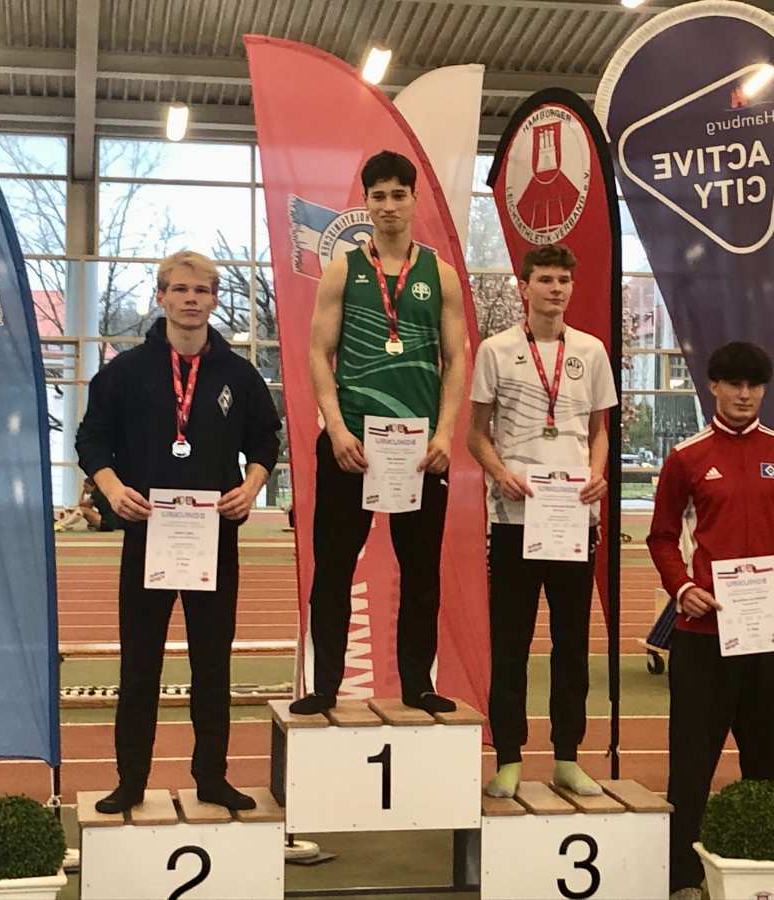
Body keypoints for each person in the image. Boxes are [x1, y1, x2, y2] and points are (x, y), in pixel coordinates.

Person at [75, 250, 281, 813]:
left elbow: (267, 440)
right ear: (161, 297)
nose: (191, 300)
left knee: (212, 664)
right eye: (180, 289)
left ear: (215, 299)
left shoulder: (239, 375)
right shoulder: (123, 372)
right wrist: (113, 489)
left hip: (214, 538)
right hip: (148, 538)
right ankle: (131, 780)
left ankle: (211, 777)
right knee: (139, 664)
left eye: (202, 290)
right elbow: (90, 442)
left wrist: (252, 484)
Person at [292, 150, 466, 716]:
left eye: (398, 195)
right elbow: (319, 353)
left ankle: (418, 683)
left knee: (421, 573)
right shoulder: (344, 268)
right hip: (352, 445)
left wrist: (445, 436)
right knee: (334, 568)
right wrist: (336, 429)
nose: (388, 206)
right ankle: (325, 686)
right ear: (366, 203)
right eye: (378, 196)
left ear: (414, 200)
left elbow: (457, 357)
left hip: (419, 449)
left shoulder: (438, 274)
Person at [646, 342, 774, 900]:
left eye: (754, 385)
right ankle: (680, 878)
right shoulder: (687, 456)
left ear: (763, 390)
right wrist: (683, 588)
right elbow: (662, 536)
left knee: (766, 763)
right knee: (690, 766)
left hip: (765, 638)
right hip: (701, 641)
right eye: (733, 384)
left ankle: (760, 873)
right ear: (714, 386)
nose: (744, 395)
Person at [467, 243, 617, 799]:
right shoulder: (496, 351)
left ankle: (567, 757)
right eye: (545, 280)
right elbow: (475, 435)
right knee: (511, 643)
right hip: (514, 519)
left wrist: (598, 475)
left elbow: (599, 430)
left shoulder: (592, 351)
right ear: (523, 286)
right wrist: (500, 472)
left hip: (575, 517)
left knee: (571, 643)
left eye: (563, 280)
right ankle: (508, 756)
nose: (556, 289)